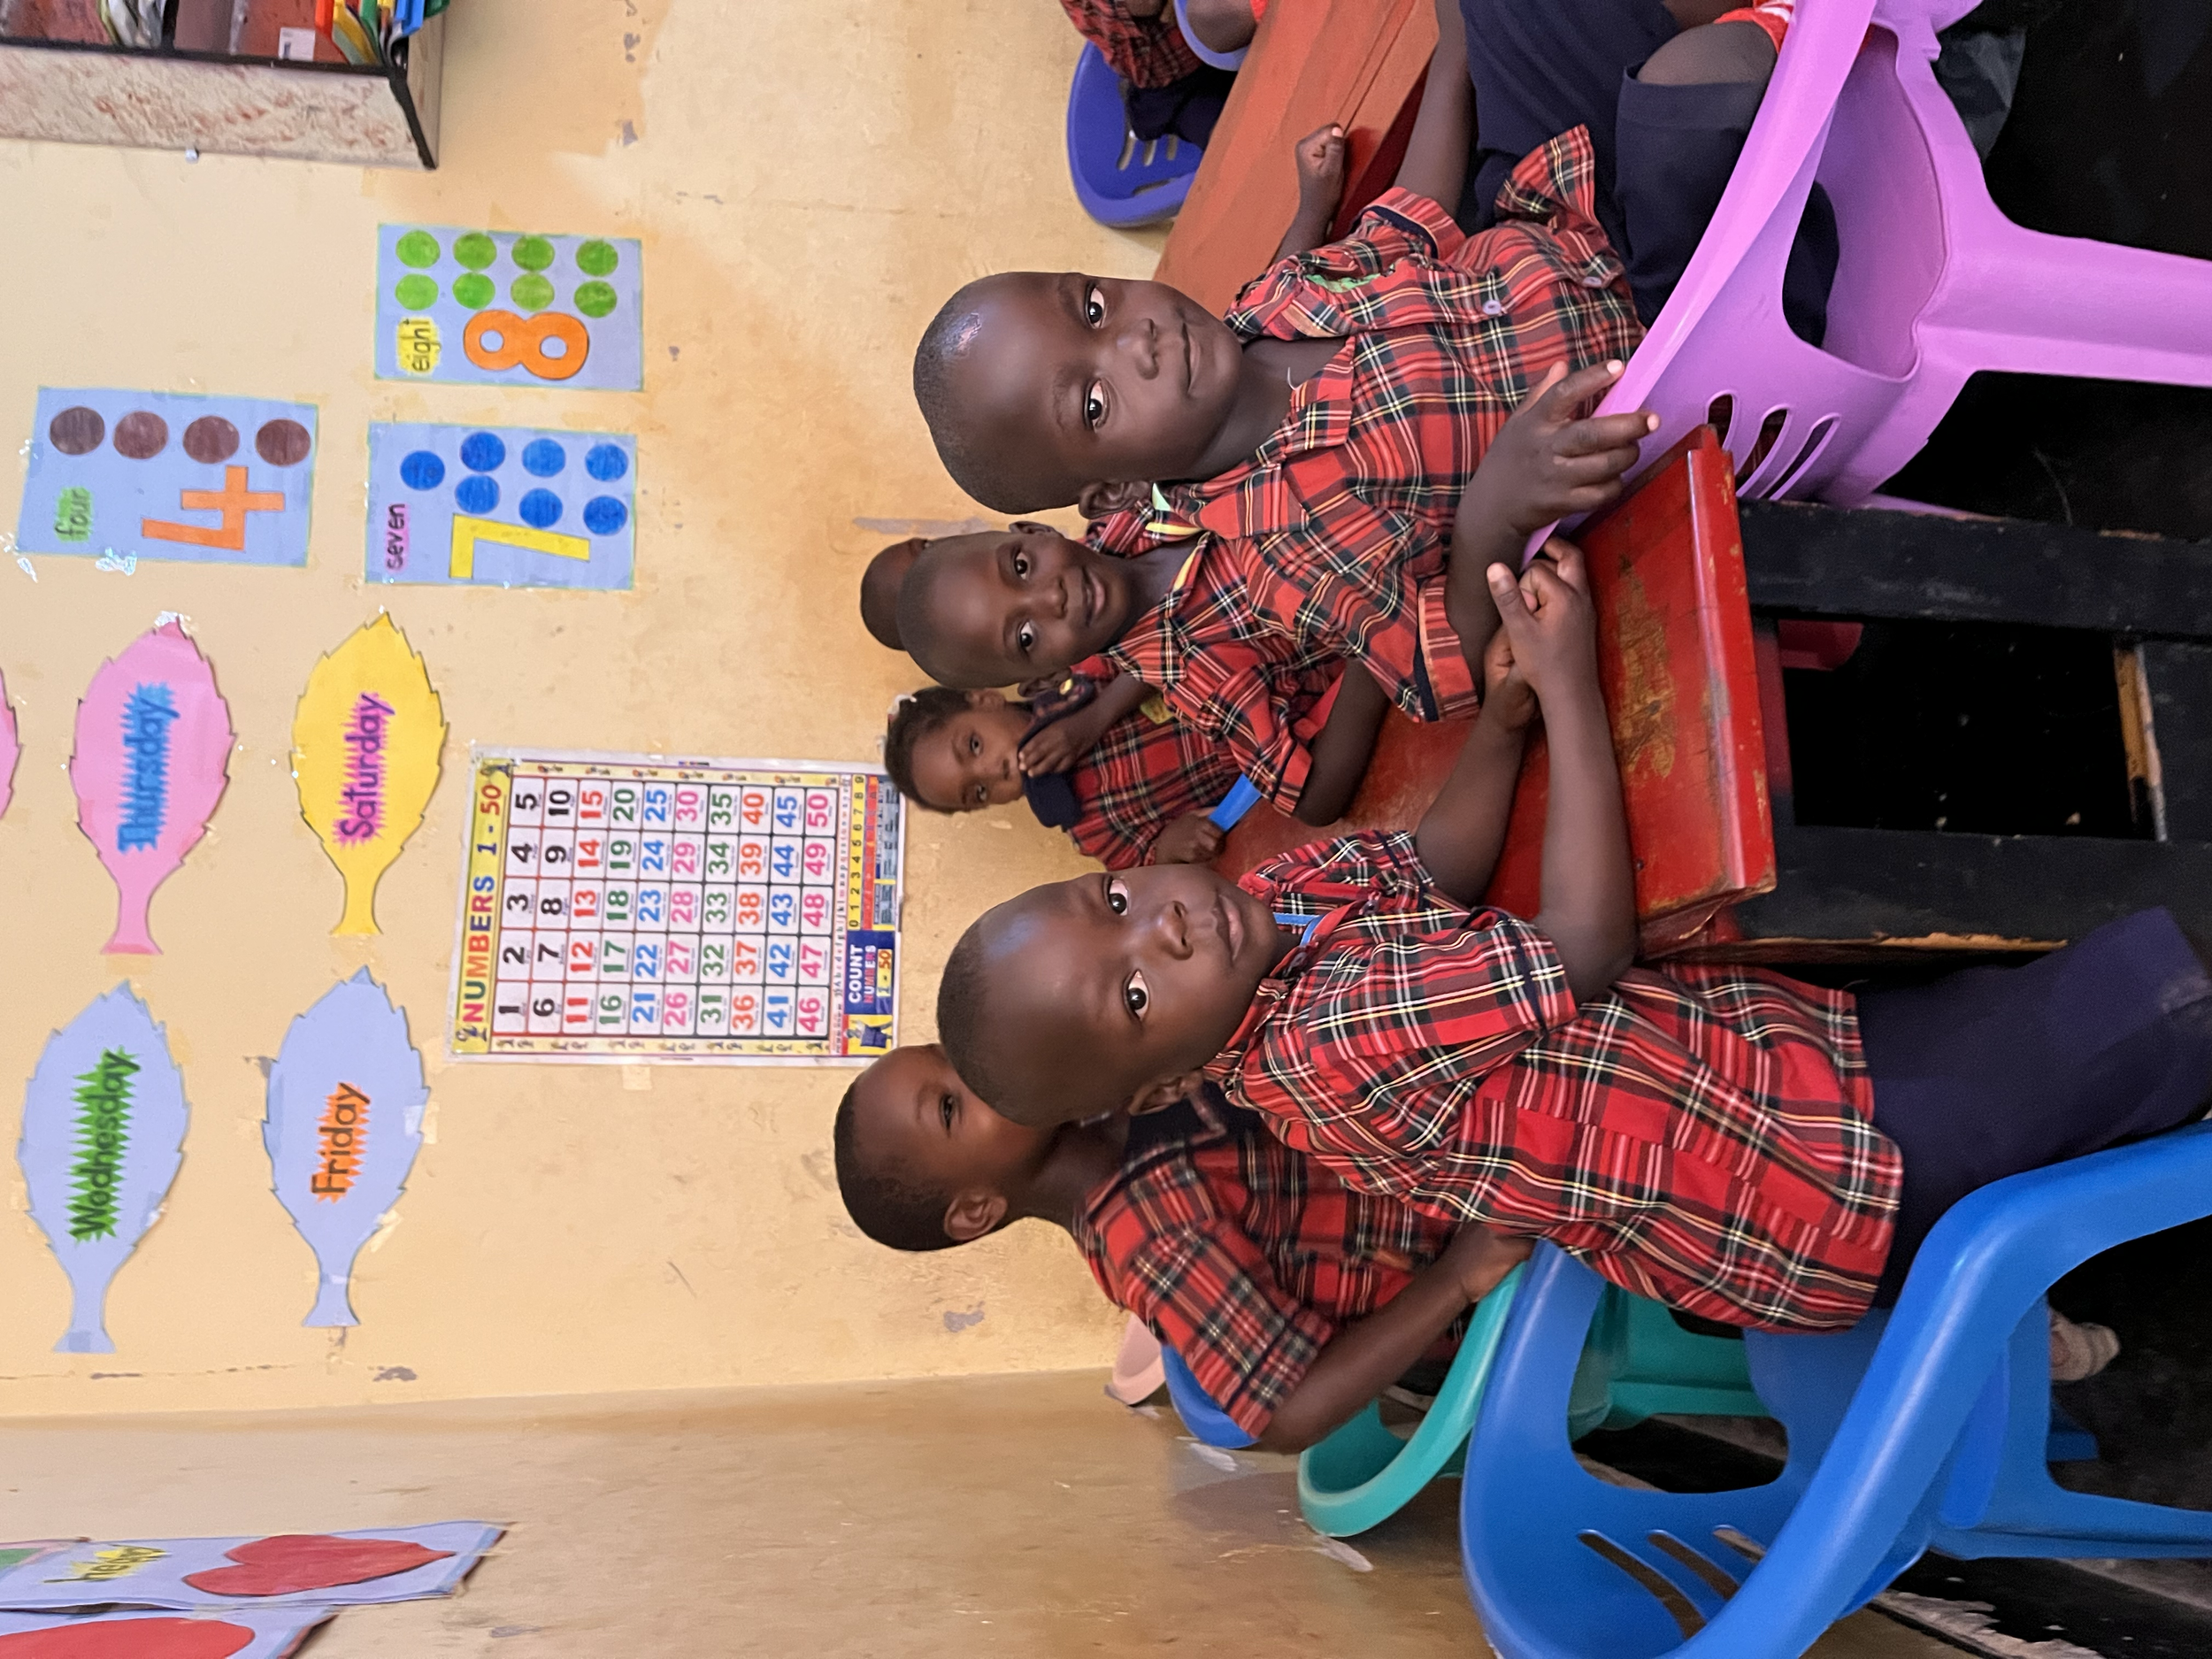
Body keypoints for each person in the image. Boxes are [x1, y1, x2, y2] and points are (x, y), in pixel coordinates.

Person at [929, 541, 2212, 1333]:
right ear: (1167, 1083)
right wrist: (1568, 686)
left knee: (2059, 1007)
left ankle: (2036, 1245)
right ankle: (2010, 1251)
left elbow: (1428, 865)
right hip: (1821, 1179)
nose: (1160, 926)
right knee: (2168, 990)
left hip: (1791, 1064)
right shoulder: (1325, 1047)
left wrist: (1497, 725)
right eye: (1138, 996)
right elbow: (1581, 947)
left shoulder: (1279, 907)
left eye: (1111, 906)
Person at [909, 0, 1654, 725]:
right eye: (1095, 405)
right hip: (1656, 380)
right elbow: (1437, 669)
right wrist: (1494, 513)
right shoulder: (1284, 552)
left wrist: (1455, 40)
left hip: (1573, 228)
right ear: (1119, 493)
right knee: (1694, 101)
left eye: (1095, 310)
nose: (1138, 343)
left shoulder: (1273, 299)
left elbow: (1406, 222)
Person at [832, 1042, 1532, 1448]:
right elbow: (1288, 1411)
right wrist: (1458, 1279)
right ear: (978, 1208)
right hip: (1477, 1258)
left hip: (1444, 1154)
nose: (977, 1069)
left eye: (950, 1052)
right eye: (951, 1104)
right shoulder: (1143, 1233)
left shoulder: (1101, 1096)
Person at [882, 677, 1242, 868]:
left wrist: (1095, 718)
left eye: (975, 746)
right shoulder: (1086, 827)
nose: (995, 771)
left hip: (1254, 690)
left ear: (986, 700)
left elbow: (1154, 654)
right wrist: (1170, 845)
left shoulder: (1076, 683)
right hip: (1273, 783)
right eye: (979, 792)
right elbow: (1147, 872)